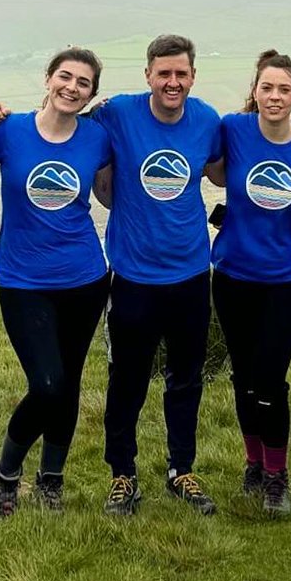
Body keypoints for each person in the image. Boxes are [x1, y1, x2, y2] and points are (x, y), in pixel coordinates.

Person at [0, 49, 111, 517]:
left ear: (92, 94)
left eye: (83, 83)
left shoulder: (97, 139)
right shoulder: (10, 130)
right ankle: (6, 471)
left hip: (86, 277)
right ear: (48, 79)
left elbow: (109, 193)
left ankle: (52, 479)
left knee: (67, 385)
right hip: (23, 279)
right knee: (47, 384)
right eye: (65, 77)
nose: (72, 87)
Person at [92, 34, 223, 516]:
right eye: (163, 73)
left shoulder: (206, 120)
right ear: (148, 74)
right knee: (126, 378)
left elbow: (224, 167)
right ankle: (122, 475)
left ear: (192, 76)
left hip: (190, 271)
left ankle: (181, 469)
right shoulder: (118, 113)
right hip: (133, 273)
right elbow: (69, 113)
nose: (172, 82)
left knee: (186, 378)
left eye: (181, 74)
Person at [205, 50, 291, 515]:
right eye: (267, 88)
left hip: (287, 278)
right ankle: (253, 464)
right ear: (254, 91)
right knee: (242, 376)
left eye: (284, 89)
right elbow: (205, 155)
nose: (275, 96)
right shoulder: (233, 129)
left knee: (270, 379)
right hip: (233, 273)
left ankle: (278, 476)